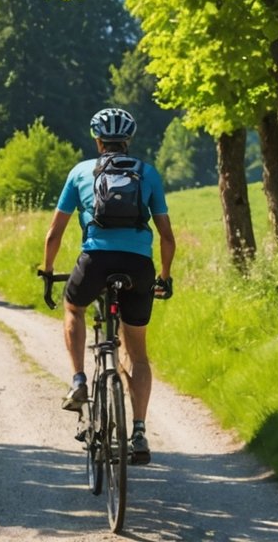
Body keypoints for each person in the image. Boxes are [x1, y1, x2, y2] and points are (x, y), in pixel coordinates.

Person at [39, 108, 175, 466]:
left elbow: (54, 233)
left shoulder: (81, 172)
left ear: (97, 141)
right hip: (138, 267)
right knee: (138, 353)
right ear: (128, 141)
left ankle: (80, 379)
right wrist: (164, 275)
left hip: (95, 262)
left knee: (74, 308)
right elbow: (167, 237)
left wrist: (48, 271)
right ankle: (140, 430)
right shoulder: (147, 173)